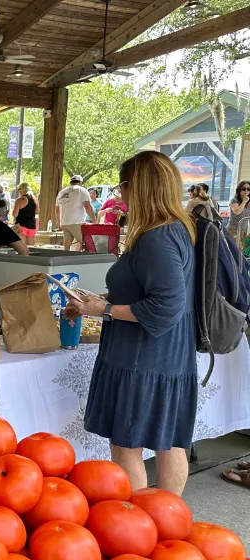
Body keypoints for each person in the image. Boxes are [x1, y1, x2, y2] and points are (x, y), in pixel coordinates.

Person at [63, 150, 196, 496]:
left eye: (123, 187)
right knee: (169, 440)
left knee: (126, 445)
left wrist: (104, 309)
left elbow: (166, 305)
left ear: (136, 187)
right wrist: (95, 304)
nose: (119, 196)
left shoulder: (156, 237)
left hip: (141, 358)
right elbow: (151, 290)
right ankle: (169, 525)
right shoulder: (177, 229)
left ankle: (143, 524)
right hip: (166, 355)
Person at [56, 175, 95, 251]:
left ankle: (65, 260)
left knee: (67, 245)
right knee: (88, 243)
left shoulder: (61, 192)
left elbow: (57, 210)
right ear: (80, 182)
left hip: (64, 223)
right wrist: (94, 221)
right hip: (77, 222)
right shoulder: (82, 190)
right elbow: (87, 206)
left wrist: (59, 224)